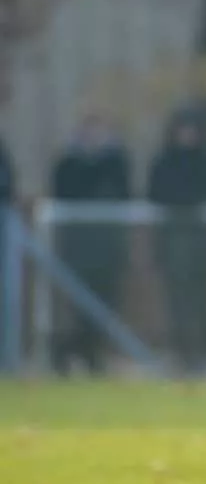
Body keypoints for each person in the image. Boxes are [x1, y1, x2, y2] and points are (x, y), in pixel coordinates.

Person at [50, 114, 132, 376]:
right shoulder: (68, 163)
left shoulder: (116, 161)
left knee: (105, 304)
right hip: (78, 247)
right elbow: (63, 192)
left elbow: (124, 193)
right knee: (80, 306)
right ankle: (71, 352)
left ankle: (91, 355)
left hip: (107, 247)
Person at [148, 110, 206, 377]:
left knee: (204, 301)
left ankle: (205, 354)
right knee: (178, 301)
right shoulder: (164, 162)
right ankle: (182, 354)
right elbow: (156, 193)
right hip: (174, 242)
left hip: (202, 243)